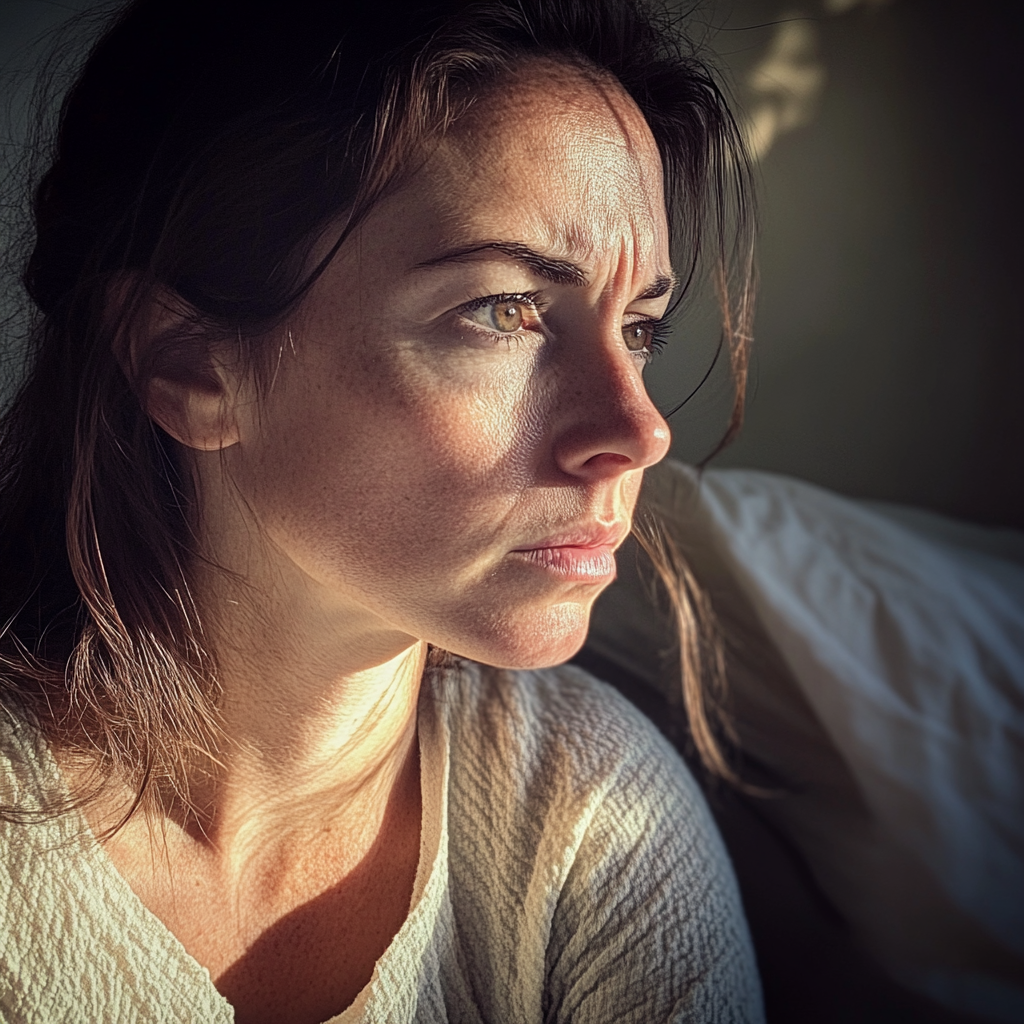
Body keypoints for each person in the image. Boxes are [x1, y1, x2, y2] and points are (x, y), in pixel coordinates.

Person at [0, 0, 762, 1020]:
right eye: (504, 310)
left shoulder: (593, 818)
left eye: (639, 329)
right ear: (186, 365)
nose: (637, 429)